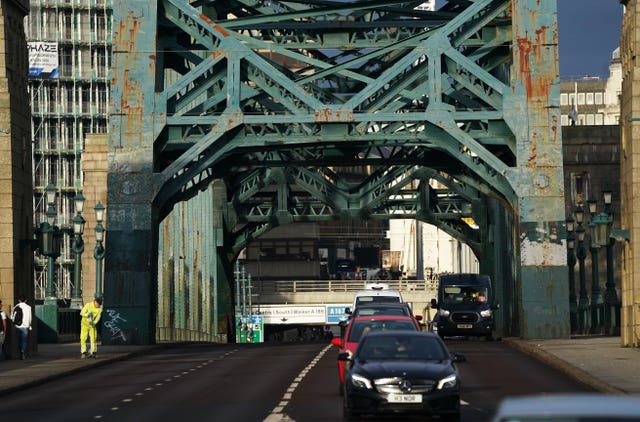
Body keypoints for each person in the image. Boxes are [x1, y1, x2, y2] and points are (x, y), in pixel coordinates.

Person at [12, 295, 32, 360]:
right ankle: (22, 352)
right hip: (25, 326)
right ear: (25, 300)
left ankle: (16, 353)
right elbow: (30, 318)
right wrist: (29, 325)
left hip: (17, 326)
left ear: (19, 300)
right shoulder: (29, 307)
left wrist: (14, 323)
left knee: (17, 340)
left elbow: (12, 316)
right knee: (24, 341)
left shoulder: (16, 306)